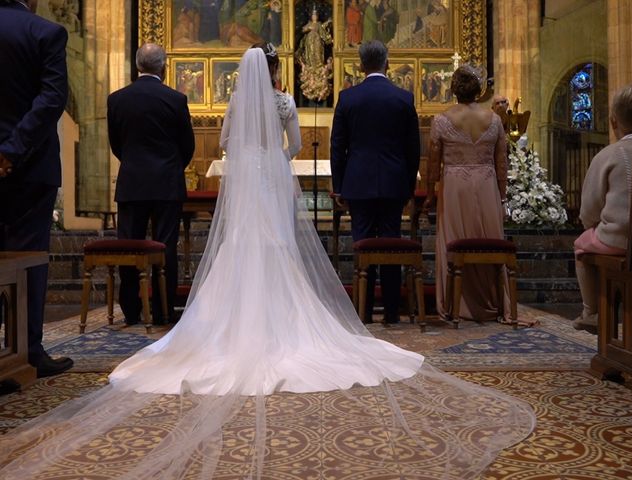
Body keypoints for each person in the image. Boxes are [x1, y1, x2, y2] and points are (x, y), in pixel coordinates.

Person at [0, 45, 534, 479]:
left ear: (242, 76)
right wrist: (273, 163)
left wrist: (249, 162)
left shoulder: (234, 109)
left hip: (243, 179)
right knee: (280, 249)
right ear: (276, 73)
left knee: (238, 249)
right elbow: (295, 145)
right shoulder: (284, 105)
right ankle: (365, 314)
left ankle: (192, 322)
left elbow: (228, 146)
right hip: (276, 179)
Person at [0, 0, 73, 378]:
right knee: (29, 257)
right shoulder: (44, 32)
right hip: (30, 167)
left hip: (23, 164)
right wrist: (10, 151)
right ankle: (27, 351)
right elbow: (51, 99)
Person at [331, 40, 420, 324]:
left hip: (358, 183)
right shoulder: (403, 98)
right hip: (394, 183)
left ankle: (364, 311)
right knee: (391, 244)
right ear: (387, 62)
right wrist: (408, 186)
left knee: (363, 245)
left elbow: (338, 146)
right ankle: (392, 311)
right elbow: (413, 148)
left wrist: (339, 186)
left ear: (360, 65)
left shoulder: (348, 98)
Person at [107, 43, 195, 325]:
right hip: (167, 183)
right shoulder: (175, 99)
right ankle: (162, 310)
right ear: (164, 66)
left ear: (137, 66)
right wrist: (170, 167)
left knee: (129, 246)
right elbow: (188, 145)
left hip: (132, 182)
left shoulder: (117, 99)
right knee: (166, 246)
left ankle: (131, 311)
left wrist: (134, 163)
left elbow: (116, 143)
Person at [427, 65, 509, 322]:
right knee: (486, 238)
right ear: (478, 89)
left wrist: (430, 194)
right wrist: (502, 196)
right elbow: (502, 163)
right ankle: (491, 300)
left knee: (456, 240)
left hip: (455, 187)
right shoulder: (494, 120)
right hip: (486, 186)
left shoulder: (441, 120)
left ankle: (455, 302)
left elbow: (432, 164)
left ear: (454, 89)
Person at [572, 82, 632, 333]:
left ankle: (592, 312)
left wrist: (591, 224)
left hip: (619, 240)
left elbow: (589, 211)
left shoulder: (608, 155)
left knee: (581, 244)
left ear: (614, 122)